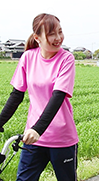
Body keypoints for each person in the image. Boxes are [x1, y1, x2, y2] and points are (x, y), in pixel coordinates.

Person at [0, 13, 78, 180]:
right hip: (33, 140)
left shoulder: (66, 59)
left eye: (60, 31)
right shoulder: (28, 57)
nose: (58, 38)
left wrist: (37, 129)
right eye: (51, 34)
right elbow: (16, 95)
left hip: (61, 138)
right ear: (37, 37)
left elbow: (57, 97)